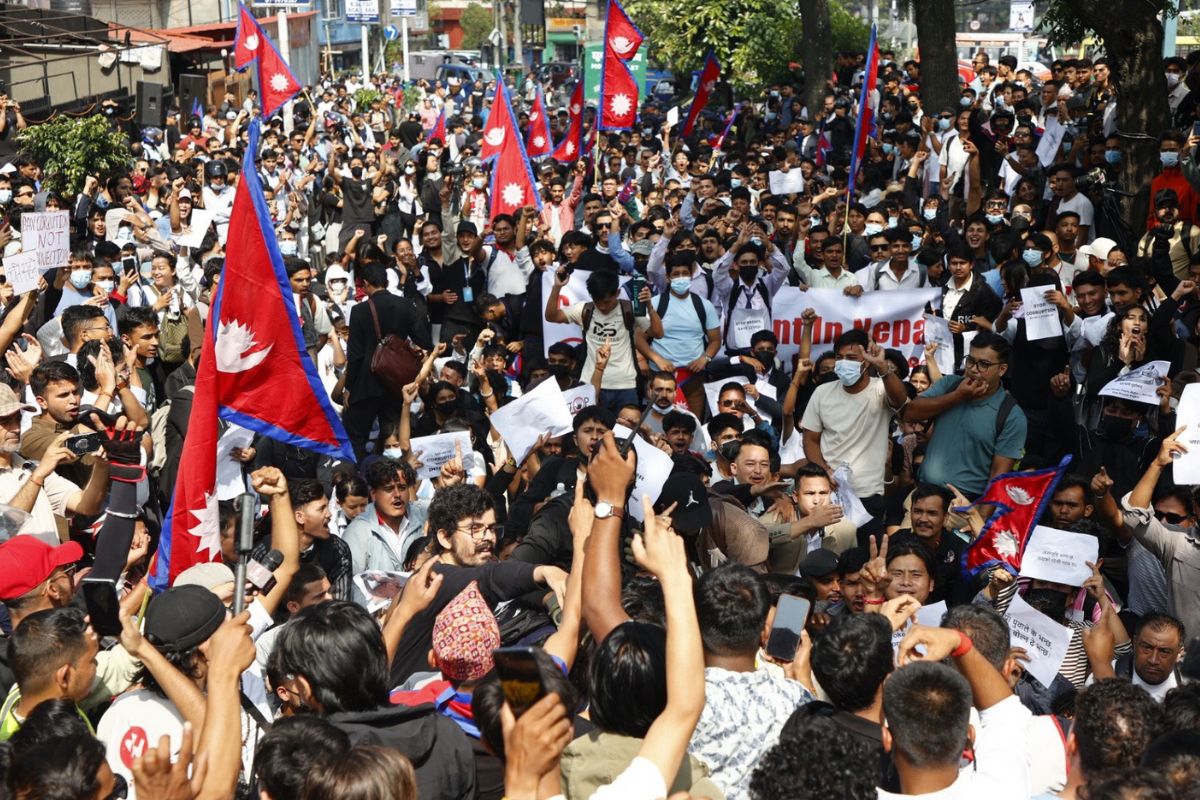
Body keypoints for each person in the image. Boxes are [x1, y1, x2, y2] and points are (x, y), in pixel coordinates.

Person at [801, 329, 907, 540]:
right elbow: (810, 440)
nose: (843, 363)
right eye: (839, 357)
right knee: (830, 554)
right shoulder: (822, 392)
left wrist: (882, 367)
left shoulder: (881, 389)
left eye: (851, 358)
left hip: (869, 495)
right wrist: (824, 470)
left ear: (866, 361)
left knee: (867, 554)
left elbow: (900, 399)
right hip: (831, 494)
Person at [901, 332, 1027, 499]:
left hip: (965, 503)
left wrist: (978, 514)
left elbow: (998, 478)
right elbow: (909, 413)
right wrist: (957, 396)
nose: (973, 369)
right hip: (925, 494)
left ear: (1002, 369)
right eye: (970, 361)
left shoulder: (1011, 416)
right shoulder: (950, 385)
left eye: (983, 364)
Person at [344, 263, 433, 460]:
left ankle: (360, 474)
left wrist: (349, 387)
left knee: (356, 437)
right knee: (396, 435)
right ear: (385, 280)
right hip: (396, 383)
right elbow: (424, 341)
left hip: (366, 384)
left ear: (366, 284)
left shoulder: (359, 310)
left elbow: (355, 355)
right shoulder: (406, 305)